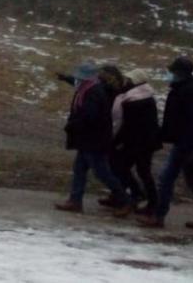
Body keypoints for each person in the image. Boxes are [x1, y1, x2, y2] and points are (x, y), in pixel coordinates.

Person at [139, 57, 193, 232]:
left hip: (186, 143)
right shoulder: (185, 89)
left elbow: (189, 121)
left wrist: (175, 139)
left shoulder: (189, 91)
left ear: (179, 73)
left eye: (172, 71)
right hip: (189, 142)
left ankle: (158, 216)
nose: (170, 74)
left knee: (166, 179)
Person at [54, 64, 134, 216]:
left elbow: (90, 116)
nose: (77, 79)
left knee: (102, 172)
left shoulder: (93, 92)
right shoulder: (89, 88)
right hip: (89, 139)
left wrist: (73, 124)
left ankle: (126, 200)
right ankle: (75, 200)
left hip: (94, 140)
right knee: (80, 169)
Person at [105, 69, 160, 215]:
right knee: (139, 171)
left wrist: (115, 141)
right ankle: (142, 199)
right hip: (146, 142)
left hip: (137, 142)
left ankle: (137, 196)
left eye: (128, 79)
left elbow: (128, 126)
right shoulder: (145, 96)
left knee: (121, 167)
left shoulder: (133, 100)